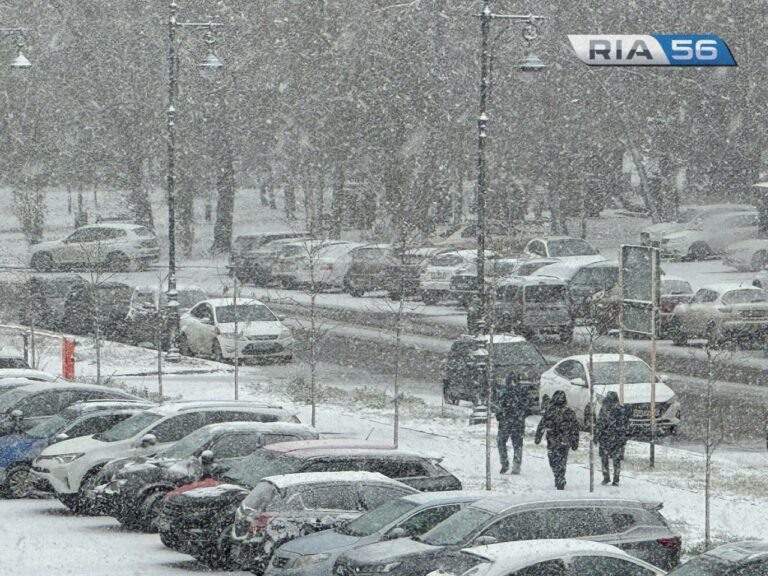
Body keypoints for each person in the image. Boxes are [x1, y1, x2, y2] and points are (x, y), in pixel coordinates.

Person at [535, 390, 579, 490]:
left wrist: (575, 441)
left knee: (555, 460)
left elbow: (575, 428)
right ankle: (559, 476)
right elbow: (542, 424)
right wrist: (574, 441)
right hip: (559, 440)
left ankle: (559, 477)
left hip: (556, 441)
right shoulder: (552, 411)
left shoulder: (567, 412)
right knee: (559, 460)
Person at [494, 372, 534, 474]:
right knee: (517, 444)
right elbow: (529, 405)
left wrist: (500, 415)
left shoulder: (504, 392)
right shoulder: (522, 392)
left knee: (501, 442)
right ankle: (516, 465)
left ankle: (505, 463)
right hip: (517, 421)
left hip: (506, 421)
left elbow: (499, 406)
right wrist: (522, 414)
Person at [594, 391, 629, 486]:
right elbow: (625, 425)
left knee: (604, 459)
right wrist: (624, 437)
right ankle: (616, 479)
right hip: (618, 438)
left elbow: (600, 424)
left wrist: (597, 436)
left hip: (605, 438)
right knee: (616, 460)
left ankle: (606, 477)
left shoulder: (604, 410)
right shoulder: (622, 409)